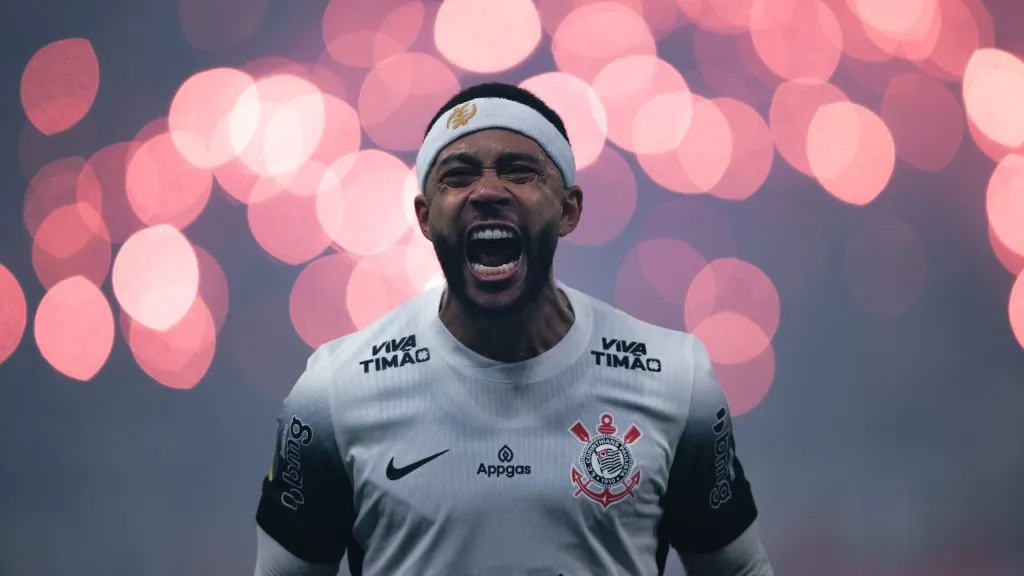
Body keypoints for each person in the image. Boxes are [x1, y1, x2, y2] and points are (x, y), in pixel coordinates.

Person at [253, 82, 774, 576]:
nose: (487, 191)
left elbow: (740, 568)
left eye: (519, 171)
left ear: (568, 209)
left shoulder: (674, 379)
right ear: (425, 216)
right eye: (457, 176)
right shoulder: (335, 391)